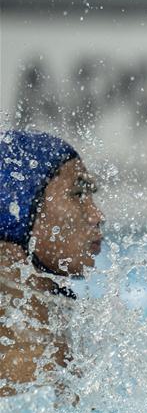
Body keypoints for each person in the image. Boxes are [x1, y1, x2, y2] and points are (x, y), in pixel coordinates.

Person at [0, 130, 104, 396]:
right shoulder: (29, 357)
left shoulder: (39, 328)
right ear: (19, 207)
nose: (97, 215)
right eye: (78, 194)